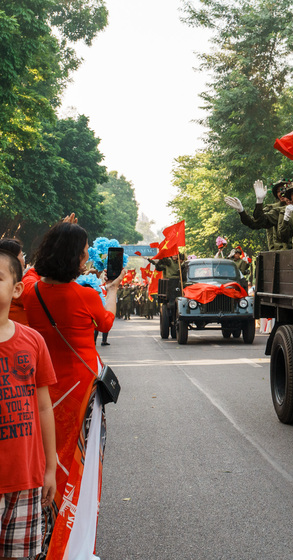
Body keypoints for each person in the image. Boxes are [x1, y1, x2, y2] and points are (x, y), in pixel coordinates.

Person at [21, 221, 125, 558]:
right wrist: (112, 288)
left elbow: (32, 277)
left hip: (45, 391)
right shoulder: (84, 295)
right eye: (82, 254)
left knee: (48, 461)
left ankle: (45, 537)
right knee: (81, 465)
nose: (85, 260)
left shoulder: (31, 291)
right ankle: (71, 543)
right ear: (71, 258)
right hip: (82, 394)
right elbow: (107, 322)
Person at [0, 246, 57, 560]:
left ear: (17, 288)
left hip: (25, 477)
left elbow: (44, 406)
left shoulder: (33, 341)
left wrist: (50, 467)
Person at [225, 180, 290, 250]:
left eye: (284, 190)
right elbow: (255, 223)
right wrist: (242, 211)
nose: (281, 193)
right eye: (278, 191)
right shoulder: (272, 209)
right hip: (278, 251)